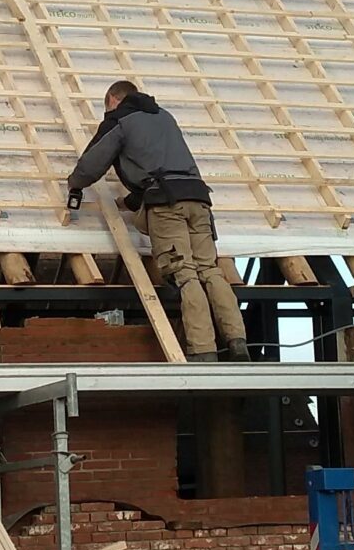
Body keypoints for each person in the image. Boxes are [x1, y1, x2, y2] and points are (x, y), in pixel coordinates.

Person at [67, 78, 250, 363]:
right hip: (199, 199)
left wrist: (74, 184)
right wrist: (129, 202)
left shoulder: (120, 120)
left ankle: (203, 350)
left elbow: (93, 163)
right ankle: (237, 340)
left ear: (113, 99)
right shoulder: (164, 117)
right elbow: (161, 167)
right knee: (210, 270)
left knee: (184, 273)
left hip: (168, 205)